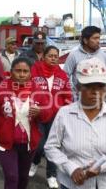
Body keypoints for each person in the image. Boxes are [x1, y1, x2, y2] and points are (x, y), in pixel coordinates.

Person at [45, 57, 106, 189]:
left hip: (105, 184)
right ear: (78, 87)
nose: (95, 92)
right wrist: (71, 168)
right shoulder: (64, 114)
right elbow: (51, 147)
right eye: (89, 86)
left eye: (100, 86)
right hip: (71, 184)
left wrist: (102, 166)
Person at [0, 57, 53, 189]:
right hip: (6, 144)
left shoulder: (38, 90)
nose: (21, 74)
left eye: (25, 71)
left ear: (31, 73)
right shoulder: (1, 89)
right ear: (11, 72)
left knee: (23, 178)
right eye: (18, 70)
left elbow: (47, 114)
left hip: (29, 145)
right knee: (12, 177)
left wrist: (40, 112)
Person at [29, 46, 72, 188]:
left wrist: (65, 109)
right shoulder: (34, 70)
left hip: (56, 116)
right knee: (39, 146)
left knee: (54, 147)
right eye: (50, 55)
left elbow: (67, 95)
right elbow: (27, 89)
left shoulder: (62, 74)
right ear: (44, 57)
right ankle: (35, 162)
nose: (53, 58)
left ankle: (51, 175)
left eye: (56, 56)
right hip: (37, 115)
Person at [63, 26, 106, 100]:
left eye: (99, 38)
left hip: (99, 99)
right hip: (80, 100)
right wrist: (72, 93)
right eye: (95, 38)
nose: (98, 41)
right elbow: (65, 76)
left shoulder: (102, 55)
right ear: (85, 40)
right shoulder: (74, 55)